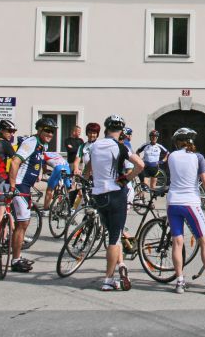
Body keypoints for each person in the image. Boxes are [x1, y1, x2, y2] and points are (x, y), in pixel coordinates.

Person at [164, 127, 205, 294]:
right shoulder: (198, 157)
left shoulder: (171, 156)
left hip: (173, 203)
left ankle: (179, 281)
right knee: (204, 242)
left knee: (177, 243)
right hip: (190, 203)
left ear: (177, 142)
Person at [86, 115, 144, 291]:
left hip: (99, 195)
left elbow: (87, 169)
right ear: (120, 131)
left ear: (106, 129)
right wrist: (126, 179)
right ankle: (108, 279)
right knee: (114, 237)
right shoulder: (120, 146)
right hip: (116, 193)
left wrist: (86, 177)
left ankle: (121, 265)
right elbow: (140, 165)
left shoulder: (94, 146)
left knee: (111, 233)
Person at [7, 118, 56, 273]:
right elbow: (15, 162)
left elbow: (40, 160)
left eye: (52, 131)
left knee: (23, 223)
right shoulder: (31, 142)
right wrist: (13, 185)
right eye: (47, 130)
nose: (50, 134)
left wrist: (43, 171)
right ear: (39, 129)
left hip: (27, 186)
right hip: (20, 186)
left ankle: (16, 255)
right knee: (22, 223)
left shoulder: (43, 145)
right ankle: (15, 260)